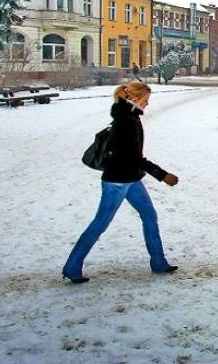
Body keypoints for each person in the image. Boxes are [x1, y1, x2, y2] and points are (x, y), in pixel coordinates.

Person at [62, 81, 179, 284]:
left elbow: (133, 158)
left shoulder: (129, 117)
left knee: (149, 216)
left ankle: (159, 262)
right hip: (117, 182)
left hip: (131, 179)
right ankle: (72, 267)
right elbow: (134, 157)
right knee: (100, 224)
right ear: (134, 98)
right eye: (145, 100)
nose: (148, 104)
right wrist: (162, 175)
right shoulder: (125, 121)